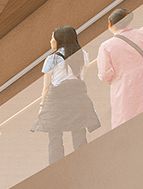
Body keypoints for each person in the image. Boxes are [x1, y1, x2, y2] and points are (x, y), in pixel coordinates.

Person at [31, 25, 102, 164]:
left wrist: (42, 106)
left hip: (56, 100)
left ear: (60, 39)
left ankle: (57, 168)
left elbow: (46, 87)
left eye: (53, 38)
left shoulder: (52, 59)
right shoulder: (84, 55)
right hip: (77, 97)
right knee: (79, 133)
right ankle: (84, 165)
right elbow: (82, 77)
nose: (51, 40)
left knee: (55, 137)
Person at [95, 7, 143, 127]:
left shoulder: (106, 46)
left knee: (125, 122)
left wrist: (112, 80)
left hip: (122, 87)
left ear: (111, 24)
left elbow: (104, 74)